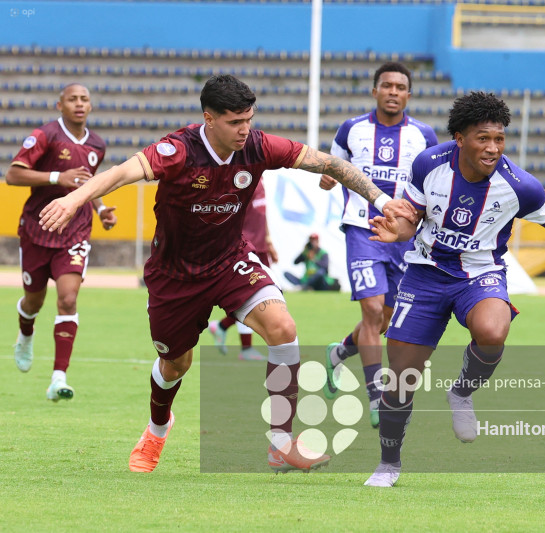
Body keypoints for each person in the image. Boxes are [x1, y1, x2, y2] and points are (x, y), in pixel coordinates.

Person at [39, 74, 403, 474]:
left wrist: (381, 200)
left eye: (249, 119)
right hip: (174, 276)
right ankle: (157, 429)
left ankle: (281, 443)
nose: (244, 129)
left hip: (230, 262)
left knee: (283, 328)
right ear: (209, 119)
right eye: (235, 122)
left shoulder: (258, 146)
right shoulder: (178, 150)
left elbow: (331, 163)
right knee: (175, 366)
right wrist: (74, 199)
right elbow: (122, 173)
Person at [364, 91, 545, 487]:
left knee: (492, 331)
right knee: (401, 377)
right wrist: (397, 232)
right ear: (460, 138)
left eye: (499, 139)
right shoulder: (428, 164)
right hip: (425, 274)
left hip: (480, 274)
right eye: (483, 138)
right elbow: (410, 218)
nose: (493, 148)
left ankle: (461, 392)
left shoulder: (520, 185)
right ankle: (389, 465)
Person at [318, 62, 438, 428]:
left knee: (385, 319)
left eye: (400, 87)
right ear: (375, 91)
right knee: (372, 312)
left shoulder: (424, 135)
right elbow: (334, 167)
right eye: (386, 85)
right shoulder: (351, 129)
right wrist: (327, 178)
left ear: (408, 95)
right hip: (362, 229)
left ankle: (339, 352)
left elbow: (436, 182)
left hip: (403, 236)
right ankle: (376, 397)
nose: (393, 92)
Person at [6, 83, 118, 402]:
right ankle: (26, 332)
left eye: (84, 99)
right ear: (60, 105)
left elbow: (87, 184)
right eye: (72, 99)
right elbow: (13, 175)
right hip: (38, 229)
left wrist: (100, 209)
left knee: (68, 299)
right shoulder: (45, 136)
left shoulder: (97, 144)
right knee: (33, 302)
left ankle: (58, 378)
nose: (79, 104)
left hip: (74, 230)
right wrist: (58, 177)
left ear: (91, 106)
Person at [207, 178, 277, 361]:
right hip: (245, 244)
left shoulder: (260, 175)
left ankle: (222, 326)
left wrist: (268, 240)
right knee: (252, 295)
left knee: (270, 293)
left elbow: (261, 212)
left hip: (261, 244)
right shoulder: (241, 176)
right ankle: (246, 348)